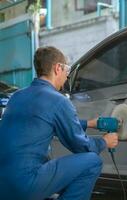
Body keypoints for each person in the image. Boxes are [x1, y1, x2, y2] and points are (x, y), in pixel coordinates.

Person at [0, 46, 118, 200]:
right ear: (58, 68)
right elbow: (80, 146)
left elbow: (42, 124)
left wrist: (88, 123)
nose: (67, 76)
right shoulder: (58, 100)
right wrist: (104, 142)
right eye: (67, 70)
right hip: (25, 185)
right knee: (92, 161)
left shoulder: (17, 96)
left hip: (3, 186)